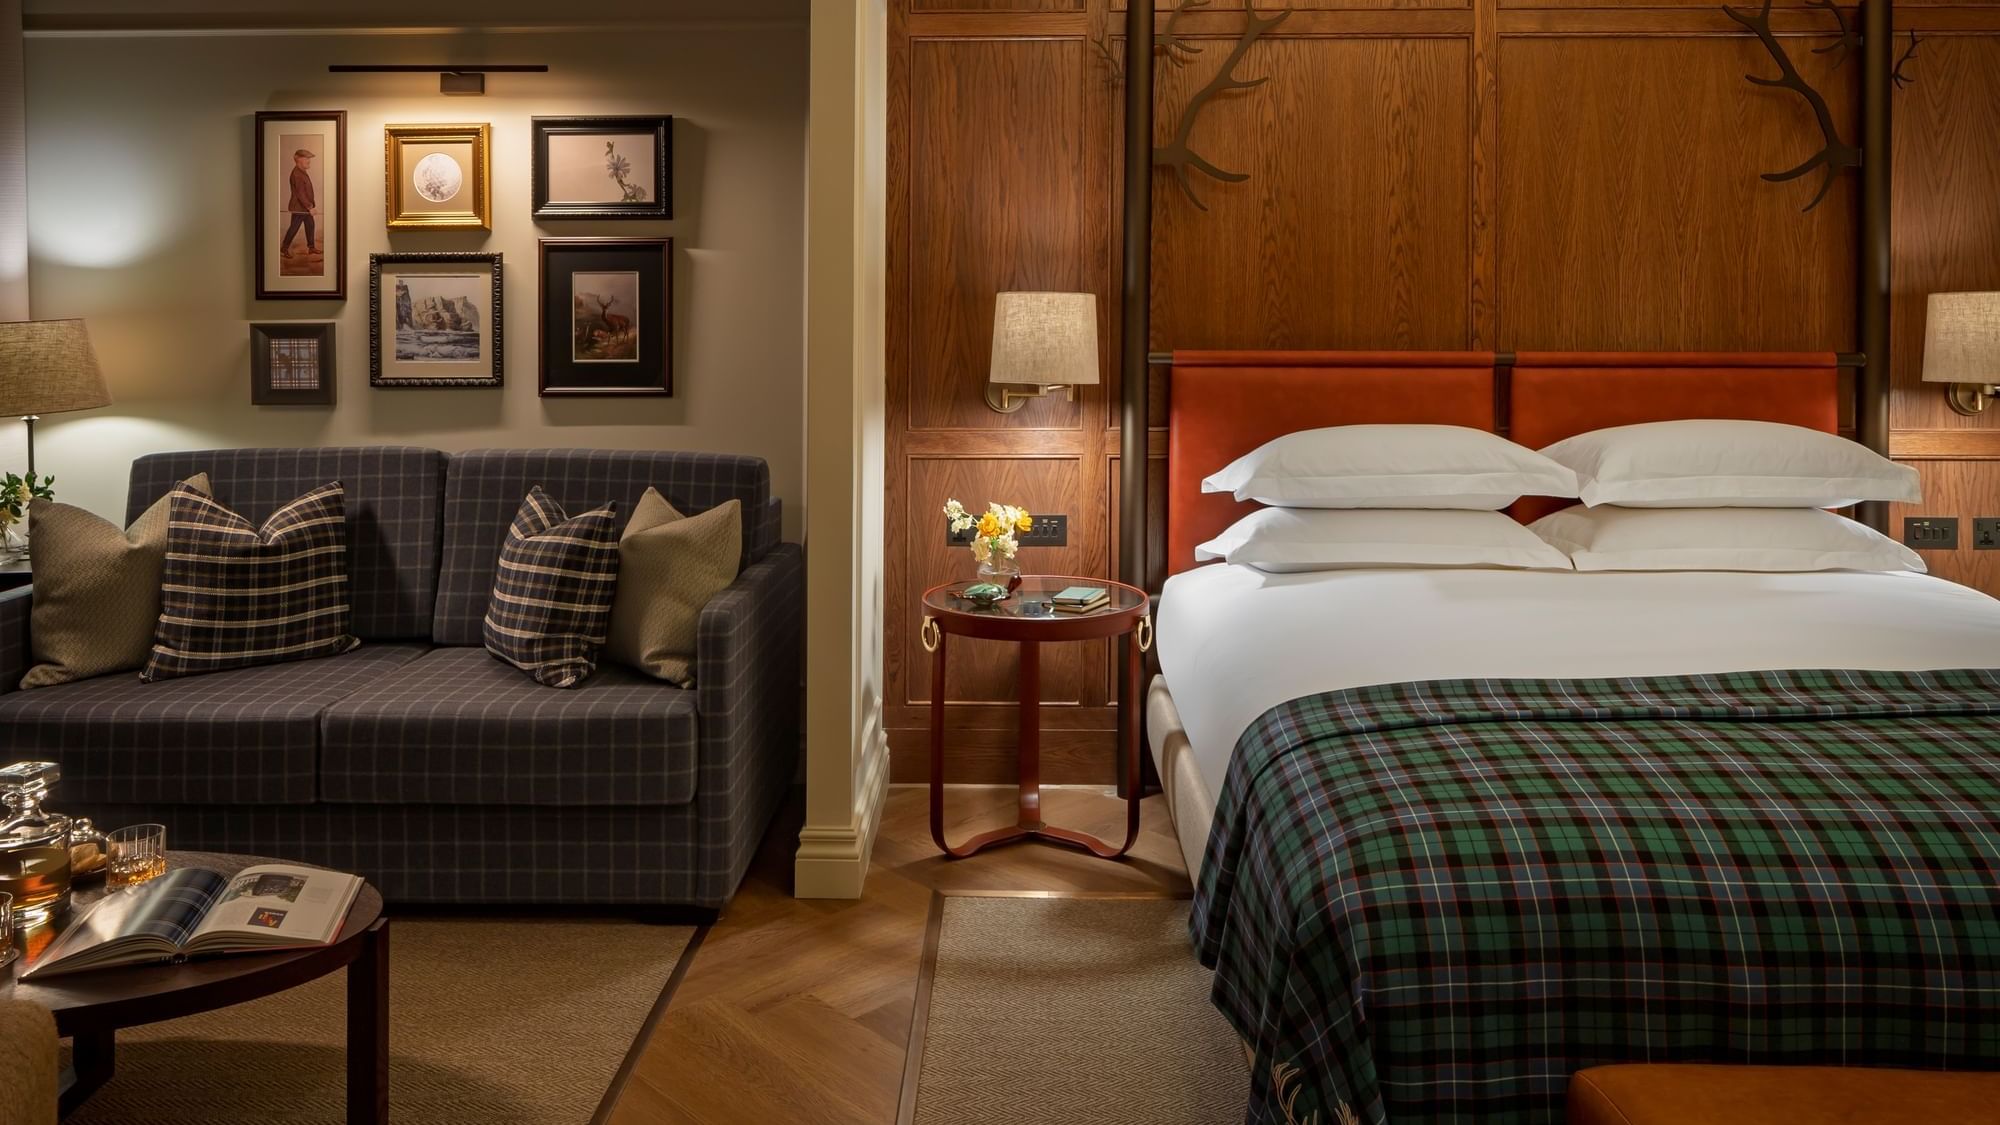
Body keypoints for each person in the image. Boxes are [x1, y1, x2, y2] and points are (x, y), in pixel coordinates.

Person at [280, 148, 318, 257]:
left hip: (304, 207)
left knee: (310, 225)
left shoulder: (301, 172)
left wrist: (310, 206)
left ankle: (311, 248)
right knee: (294, 228)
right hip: (299, 207)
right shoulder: (297, 174)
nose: (309, 161)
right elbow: (301, 194)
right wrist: (310, 207)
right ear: (299, 160)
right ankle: (284, 248)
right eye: (307, 158)